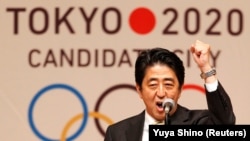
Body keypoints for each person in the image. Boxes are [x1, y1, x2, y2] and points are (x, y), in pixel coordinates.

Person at [104, 40, 236, 141]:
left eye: (168, 84)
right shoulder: (117, 133)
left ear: (180, 89)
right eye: (153, 85)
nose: (161, 93)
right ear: (139, 90)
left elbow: (225, 124)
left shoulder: (198, 122)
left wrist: (206, 68)